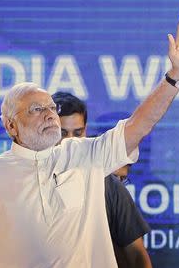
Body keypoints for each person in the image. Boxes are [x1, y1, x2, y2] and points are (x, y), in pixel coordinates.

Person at [0, 11, 179, 268]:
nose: (49, 115)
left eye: (51, 108)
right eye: (37, 109)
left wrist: (176, 76)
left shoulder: (86, 155)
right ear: (10, 125)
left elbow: (140, 125)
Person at [51, 92, 151, 267]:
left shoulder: (108, 183)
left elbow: (136, 255)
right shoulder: (28, 179)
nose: (70, 141)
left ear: (86, 130)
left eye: (77, 133)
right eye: (62, 133)